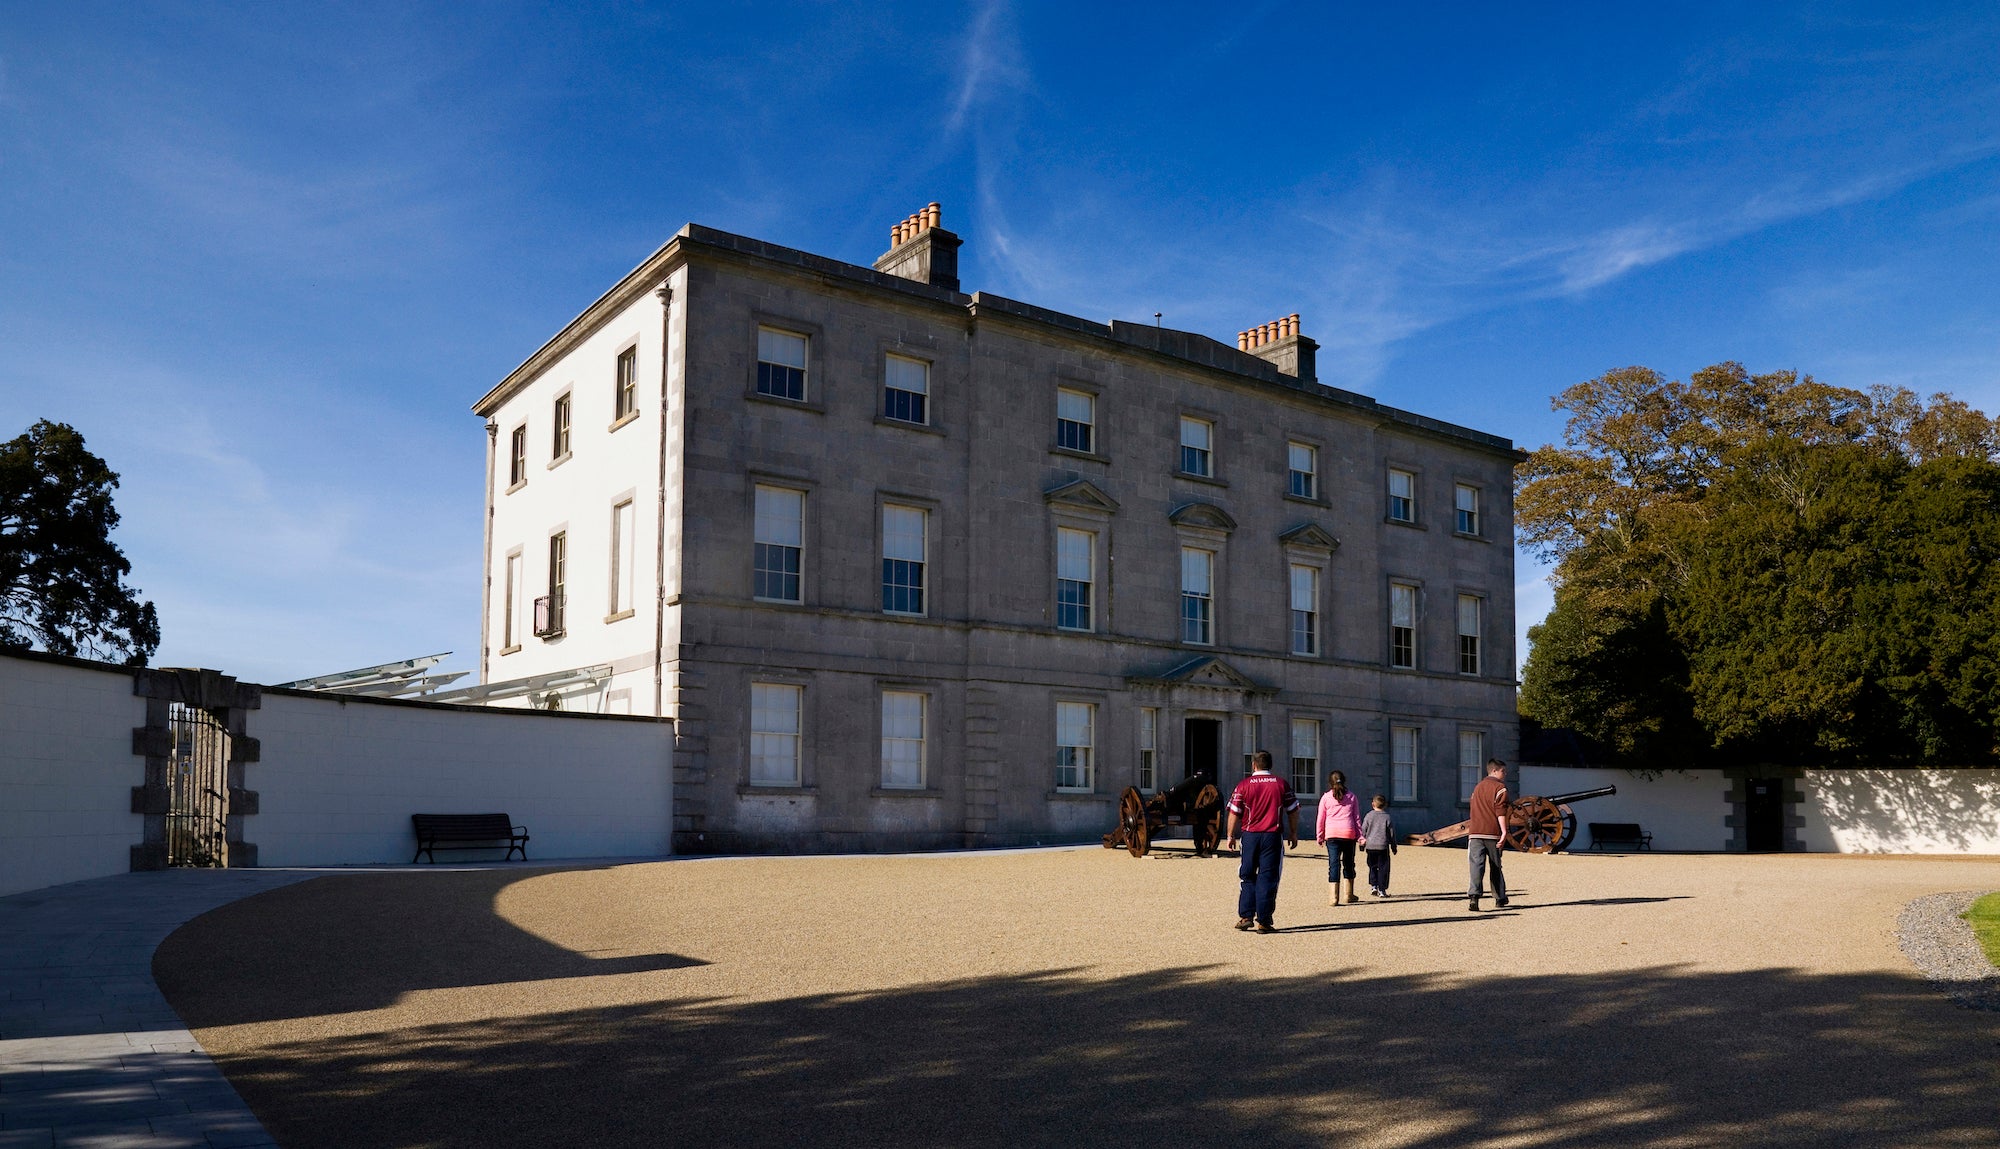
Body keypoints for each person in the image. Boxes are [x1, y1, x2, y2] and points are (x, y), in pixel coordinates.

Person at [1226, 749, 1299, 934]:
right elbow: (1293, 809)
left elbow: (1234, 812)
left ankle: (1246, 916)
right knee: (1268, 877)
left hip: (1250, 835)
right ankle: (1264, 921)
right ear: (1270, 765)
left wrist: (1230, 835)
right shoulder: (1281, 784)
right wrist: (1293, 832)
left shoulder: (1244, 785)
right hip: (1272, 835)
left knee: (1247, 874)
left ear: (1254, 765)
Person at [1467, 758, 1512, 911]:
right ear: (1494, 771)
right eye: (1503, 771)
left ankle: (1474, 897)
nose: (1505, 774)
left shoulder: (1477, 787)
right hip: (1492, 833)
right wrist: (1504, 831)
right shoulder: (1500, 788)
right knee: (1496, 866)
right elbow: (1500, 811)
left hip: (1475, 832)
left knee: (1476, 866)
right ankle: (1499, 898)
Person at [1315, 769, 1364, 906]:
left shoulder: (1326, 797)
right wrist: (1360, 836)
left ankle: (1333, 897)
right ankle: (1348, 894)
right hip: (1348, 833)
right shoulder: (1352, 797)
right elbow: (1357, 819)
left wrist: (1320, 836)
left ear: (1330, 783)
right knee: (1348, 863)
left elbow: (1321, 819)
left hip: (1332, 834)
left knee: (1333, 864)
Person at [1360, 794, 1397, 897]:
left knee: (1372, 867)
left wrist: (1362, 844)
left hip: (1370, 846)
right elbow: (1391, 833)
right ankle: (1382, 889)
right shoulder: (1387, 817)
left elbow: (1363, 830)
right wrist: (1394, 846)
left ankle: (1373, 885)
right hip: (1382, 846)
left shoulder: (1368, 816)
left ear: (1373, 804)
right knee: (1383, 868)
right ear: (1385, 805)